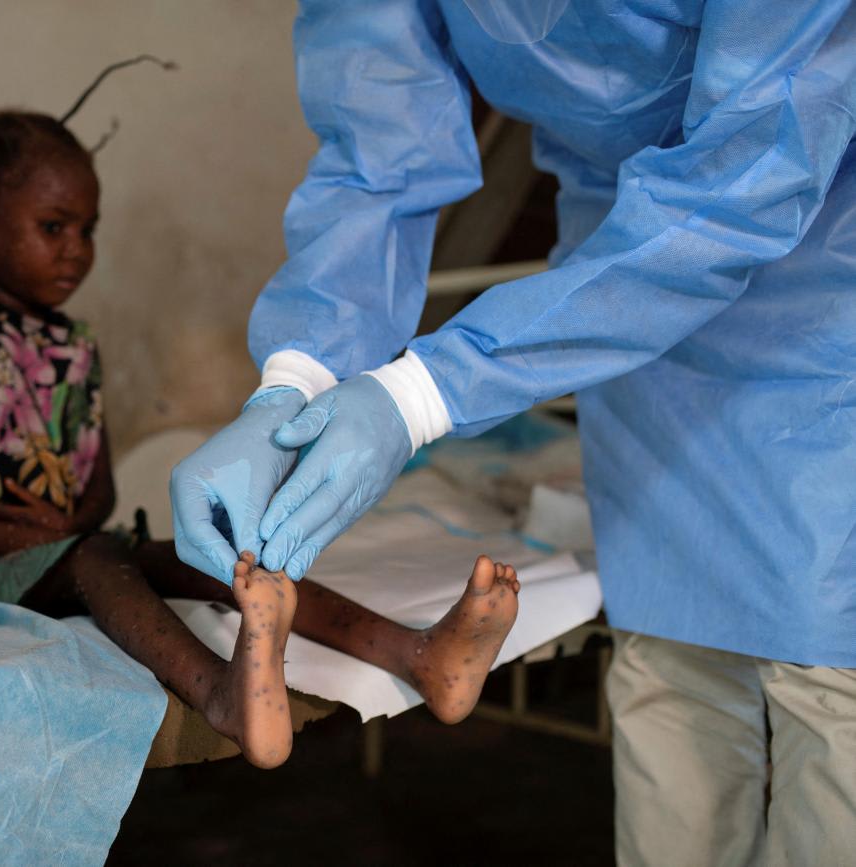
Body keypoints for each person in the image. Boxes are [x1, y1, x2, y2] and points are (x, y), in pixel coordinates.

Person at [171, 0, 855, 860]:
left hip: (830, 284)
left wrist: (420, 395)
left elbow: (752, 170)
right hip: (618, 301)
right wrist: (294, 378)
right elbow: (375, 156)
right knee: (671, 669)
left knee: (834, 695)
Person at [0, 54, 524, 769]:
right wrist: (32, 534)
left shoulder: (76, 347)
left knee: (212, 554)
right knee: (96, 555)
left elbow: (95, 493)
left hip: (58, 550)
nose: (76, 251)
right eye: (54, 226)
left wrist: (65, 529)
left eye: (88, 230)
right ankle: (219, 692)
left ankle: (421, 653)